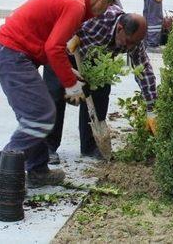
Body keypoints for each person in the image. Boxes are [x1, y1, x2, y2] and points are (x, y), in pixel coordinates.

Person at [0, 0, 118, 187]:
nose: (107, 10)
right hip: (11, 53)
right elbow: (54, 48)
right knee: (41, 114)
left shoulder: (75, 3)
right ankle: (7, 161)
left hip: (16, 54)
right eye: (109, 4)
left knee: (38, 113)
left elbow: (46, 42)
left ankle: (38, 171)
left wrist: (69, 72)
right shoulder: (75, 5)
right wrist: (72, 85)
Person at [43, 8, 158, 161]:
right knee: (55, 94)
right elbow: (68, 18)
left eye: (134, 44)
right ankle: (48, 147)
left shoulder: (133, 41)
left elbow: (143, 69)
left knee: (101, 92)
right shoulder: (99, 16)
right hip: (65, 52)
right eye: (129, 42)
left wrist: (151, 107)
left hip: (95, 61)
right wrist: (69, 37)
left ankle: (90, 146)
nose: (130, 47)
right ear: (120, 28)